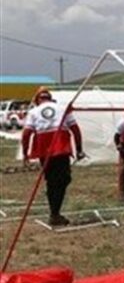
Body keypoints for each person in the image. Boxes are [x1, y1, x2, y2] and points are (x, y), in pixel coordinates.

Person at [21, 88, 85, 226]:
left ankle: (54, 210)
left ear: (37, 99)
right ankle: (54, 213)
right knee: (63, 179)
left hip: (44, 148)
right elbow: (75, 129)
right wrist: (79, 149)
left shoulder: (33, 112)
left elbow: (26, 133)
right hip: (60, 145)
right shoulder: (62, 108)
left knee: (52, 180)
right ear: (49, 98)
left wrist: (25, 153)